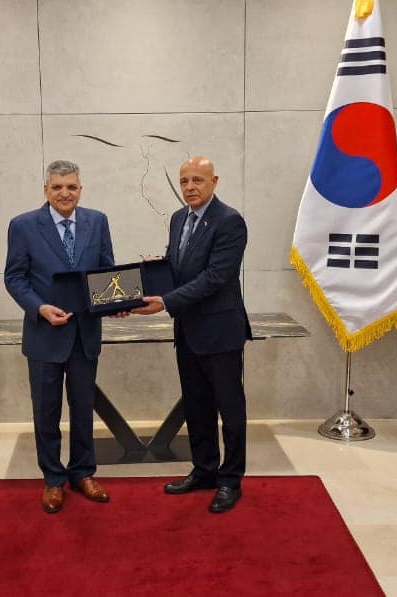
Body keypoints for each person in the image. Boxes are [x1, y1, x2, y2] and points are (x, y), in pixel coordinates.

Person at [133, 156, 251, 513]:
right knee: (197, 406)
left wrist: (165, 301)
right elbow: (178, 266)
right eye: (184, 181)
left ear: (214, 181)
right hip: (187, 330)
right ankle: (204, 471)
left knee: (230, 409)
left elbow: (215, 277)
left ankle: (230, 480)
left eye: (198, 180)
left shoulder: (229, 221)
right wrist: (154, 273)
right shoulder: (178, 218)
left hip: (221, 331)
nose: (190, 187)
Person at [4, 160, 115, 513]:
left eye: (71, 187)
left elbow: (106, 273)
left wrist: (119, 299)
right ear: (46, 190)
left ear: (80, 189)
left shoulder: (98, 221)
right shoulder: (22, 226)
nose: (65, 193)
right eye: (57, 187)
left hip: (85, 335)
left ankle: (83, 473)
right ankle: (53, 479)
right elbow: (15, 277)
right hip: (44, 336)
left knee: (83, 410)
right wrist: (39, 308)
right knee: (46, 412)